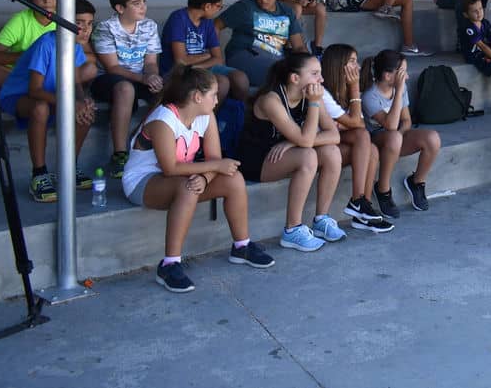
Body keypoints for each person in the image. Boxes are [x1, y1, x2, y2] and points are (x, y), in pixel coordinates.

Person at [121, 65, 274, 292]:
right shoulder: (163, 119)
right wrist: (210, 169)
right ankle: (169, 264)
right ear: (197, 96)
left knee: (234, 179)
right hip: (143, 182)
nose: (216, 100)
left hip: (180, 175)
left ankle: (241, 246)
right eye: (213, 95)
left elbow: (214, 158)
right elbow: (170, 168)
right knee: (187, 187)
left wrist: (205, 176)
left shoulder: (206, 115)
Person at [236, 52, 351, 251]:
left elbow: (334, 135)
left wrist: (292, 142)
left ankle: (321, 220)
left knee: (332, 151)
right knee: (308, 156)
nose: (321, 80)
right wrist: (313, 106)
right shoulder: (271, 100)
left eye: (320, 73)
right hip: (258, 160)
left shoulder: (314, 93)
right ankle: (292, 230)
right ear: (295, 78)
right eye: (315, 74)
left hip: (287, 154)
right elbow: (306, 141)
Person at [0, 0, 99, 203]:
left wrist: (82, 100)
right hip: (20, 96)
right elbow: (34, 90)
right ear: (63, 22)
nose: (86, 29)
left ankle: (68, 167)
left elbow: (75, 81)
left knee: (86, 110)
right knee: (41, 109)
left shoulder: (76, 46)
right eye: (79, 23)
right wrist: (70, 104)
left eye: (89, 24)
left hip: (52, 95)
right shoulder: (47, 43)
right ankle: (39, 174)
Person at [91, 0, 163, 178]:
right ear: (120, 8)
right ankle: (120, 154)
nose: (143, 7)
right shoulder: (106, 28)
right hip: (109, 79)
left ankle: (142, 143)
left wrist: (152, 76)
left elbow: (150, 62)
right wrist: (143, 79)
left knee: (167, 91)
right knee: (125, 89)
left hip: (139, 77)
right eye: (136, 3)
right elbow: (112, 67)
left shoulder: (149, 26)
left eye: (144, 2)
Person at [360, 50, 442, 217]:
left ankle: (416, 182)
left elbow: (406, 121)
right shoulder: (370, 96)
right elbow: (390, 125)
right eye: (403, 72)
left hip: (394, 137)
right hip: (375, 141)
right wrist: (398, 92)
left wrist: (400, 137)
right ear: (389, 76)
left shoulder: (401, 89)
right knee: (394, 136)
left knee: (432, 138)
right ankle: (383, 189)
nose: (408, 77)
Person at [319, 44, 386, 227]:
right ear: (337, 65)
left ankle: (362, 209)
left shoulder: (345, 90)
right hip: (317, 146)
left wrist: (346, 123)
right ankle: (358, 201)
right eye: (352, 62)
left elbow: (359, 124)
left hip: (334, 141)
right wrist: (355, 87)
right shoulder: (322, 91)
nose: (357, 67)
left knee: (370, 148)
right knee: (363, 137)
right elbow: (357, 124)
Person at [160, 0, 248, 102]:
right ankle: (209, 120)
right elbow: (181, 61)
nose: (219, 9)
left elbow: (218, 58)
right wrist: (206, 56)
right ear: (207, 6)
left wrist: (199, 64)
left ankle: (237, 116)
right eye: (218, 6)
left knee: (240, 78)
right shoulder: (178, 19)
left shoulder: (208, 23)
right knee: (221, 83)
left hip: (198, 68)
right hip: (177, 73)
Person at [216, 0, 308, 88]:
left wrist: (310, 65)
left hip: (276, 59)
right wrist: (216, 57)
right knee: (281, 75)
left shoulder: (287, 11)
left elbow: (298, 46)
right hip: (243, 55)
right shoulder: (244, 7)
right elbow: (216, 26)